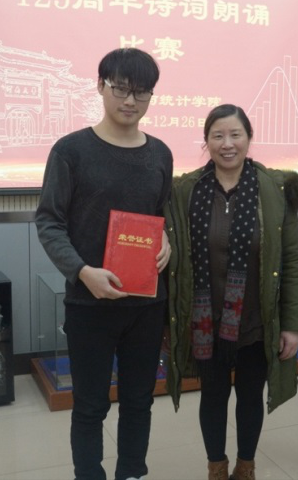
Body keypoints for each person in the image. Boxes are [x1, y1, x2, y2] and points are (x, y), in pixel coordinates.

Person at [35, 48, 173, 480]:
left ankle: (131, 472)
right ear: (100, 86)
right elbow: (49, 222)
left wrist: (167, 238)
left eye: (141, 92)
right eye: (121, 89)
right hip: (89, 304)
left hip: (146, 305)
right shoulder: (71, 150)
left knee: (139, 402)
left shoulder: (161, 153)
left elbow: (161, 214)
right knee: (90, 405)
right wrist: (82, 272)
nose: (130, 101)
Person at [165, 104, 298, 480]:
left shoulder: (274, 189)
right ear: (206, 141)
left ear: (249, 138)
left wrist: (292, 325)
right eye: (217, 136)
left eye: (235, 135)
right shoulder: (185, 191)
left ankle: (246, 467)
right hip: (205, 322)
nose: (227, 144)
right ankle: (216, 468)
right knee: (212, 396)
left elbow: (291, 261)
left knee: (250, 396)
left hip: (256, 321)